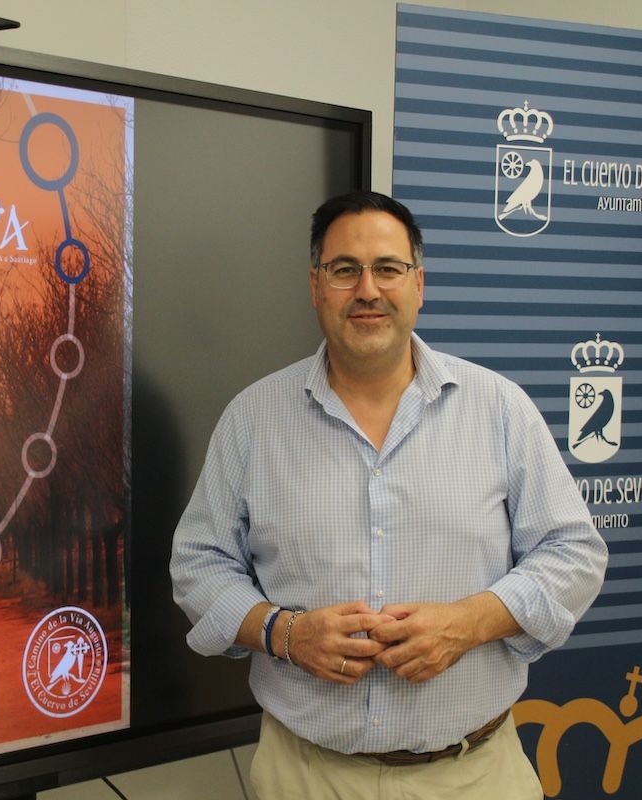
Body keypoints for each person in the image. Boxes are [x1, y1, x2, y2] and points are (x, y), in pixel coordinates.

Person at [170, 190, 607, 799]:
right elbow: (198, 566)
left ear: (418, 285)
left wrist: (468, 623)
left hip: (475, 776)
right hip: (305, 776)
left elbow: (573, 554)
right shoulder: (253, 419)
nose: (368, 290)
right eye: (345, 270)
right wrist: (284, 634)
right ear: (316, 286)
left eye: (388, 269)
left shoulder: (499, 409)